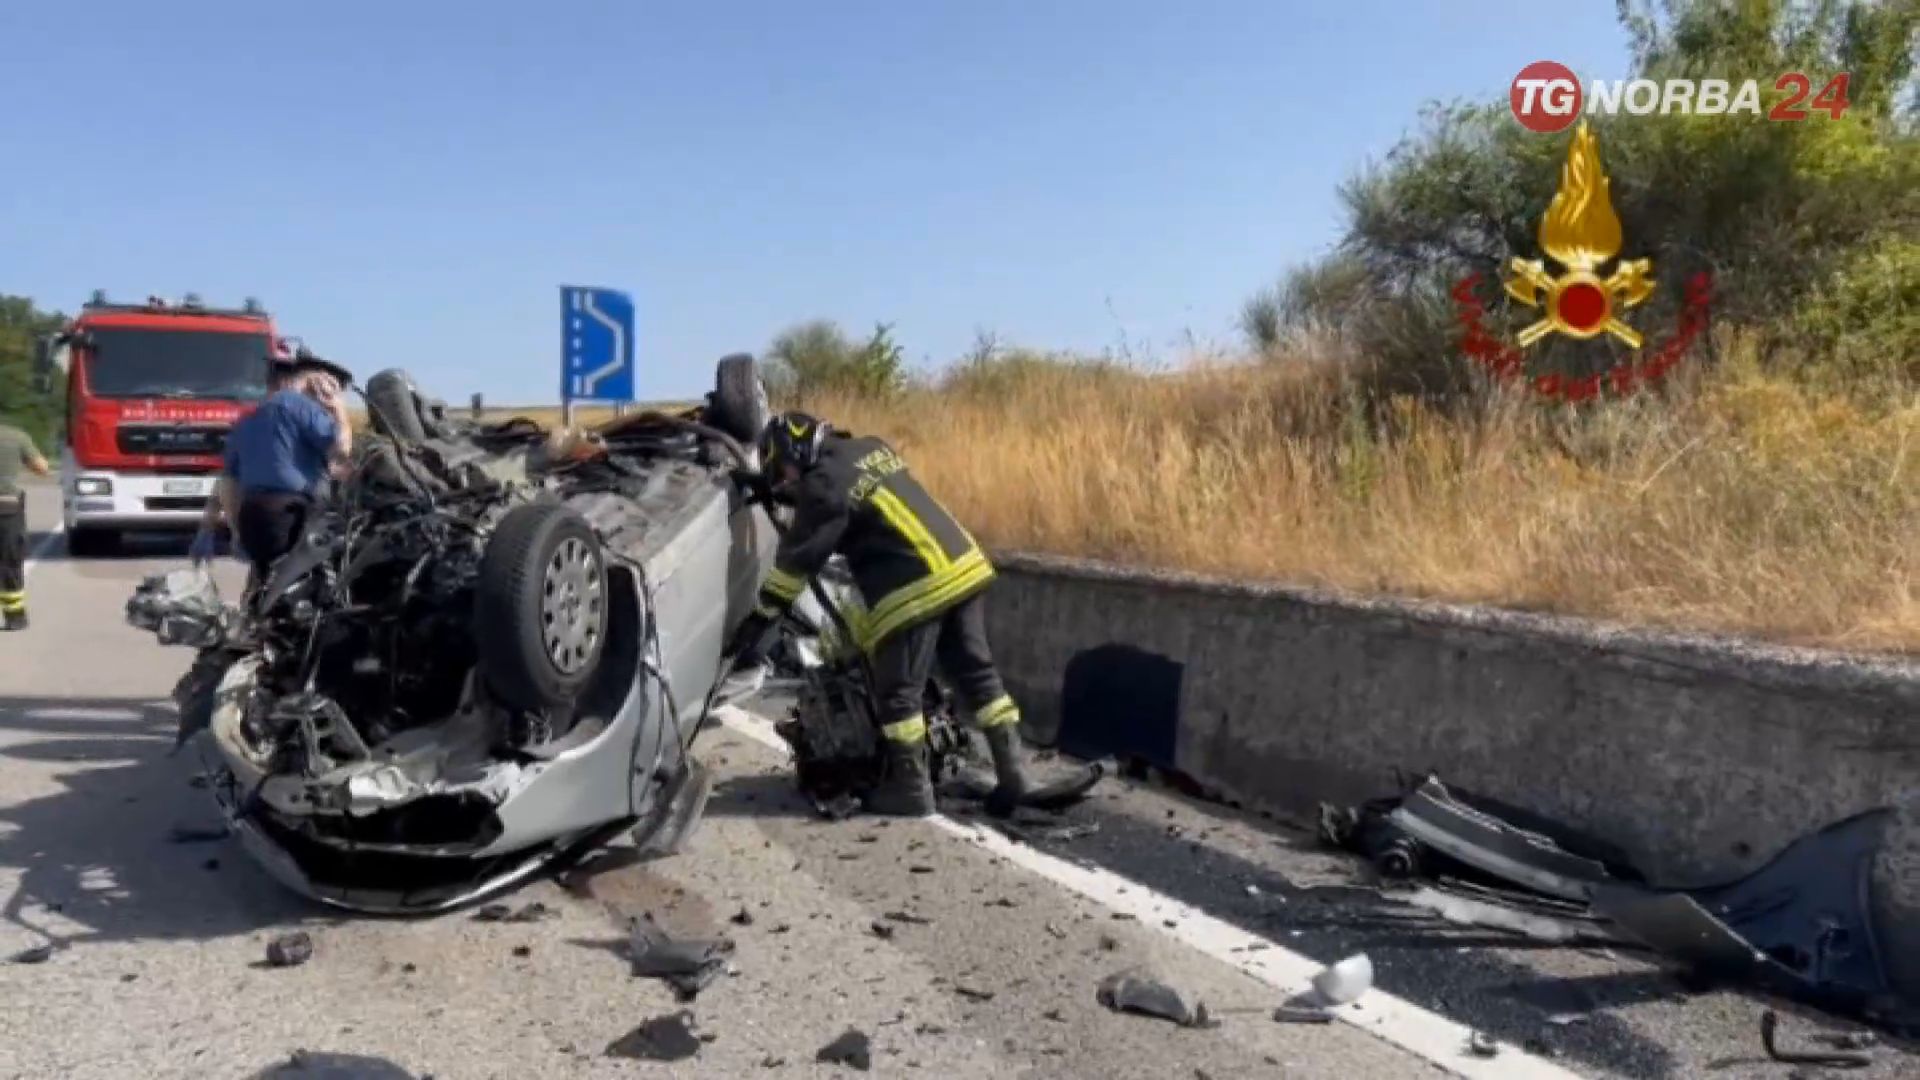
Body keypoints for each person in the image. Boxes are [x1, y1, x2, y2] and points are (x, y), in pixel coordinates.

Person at [727, 411, 1042, 818]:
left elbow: (797, 562)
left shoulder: (822, 485)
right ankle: (1015, 775)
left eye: (784, 470)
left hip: (914, 586)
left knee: (897, 694)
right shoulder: (871, 448)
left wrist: (762, 615)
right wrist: (780, 492)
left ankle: (910, 791)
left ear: (796, 451)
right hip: (963, 565)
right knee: (978, 675)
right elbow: (852, 500)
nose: (786, 480)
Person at [197, 350, 354, 581]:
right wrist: (339, 408)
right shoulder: (302, 406)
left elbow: (228, 483)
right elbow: (342, 448)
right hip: (292, 514)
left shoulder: (248, 420)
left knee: (264, 580)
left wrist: (235, 530)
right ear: (320, 383)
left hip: (253, 514)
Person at [0, 421, 53, 631]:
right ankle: (15, 617)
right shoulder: (16, 437)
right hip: (7, 508)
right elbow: (42, 468)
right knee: (10, 563)